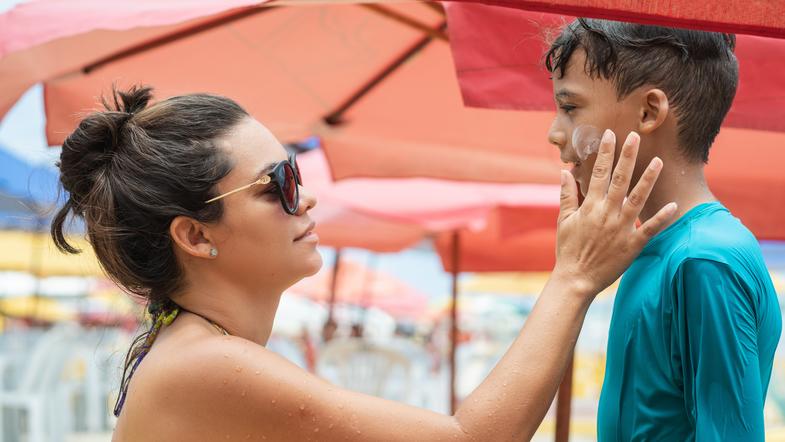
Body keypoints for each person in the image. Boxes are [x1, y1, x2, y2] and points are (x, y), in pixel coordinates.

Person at [51, 85, 675, 441]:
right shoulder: (208, 363)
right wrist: (573, 279)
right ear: (194, 234)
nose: (309, 196)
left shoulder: (195, 350)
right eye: (281, 182)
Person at [545, 19, 781, 441]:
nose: (554, 133)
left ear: (649, 112)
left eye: (570, 107)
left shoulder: (705, 260)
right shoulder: (657, 247)